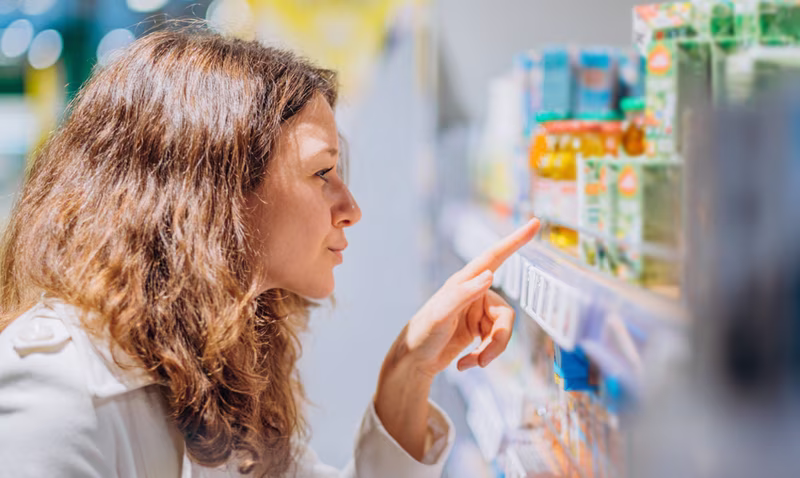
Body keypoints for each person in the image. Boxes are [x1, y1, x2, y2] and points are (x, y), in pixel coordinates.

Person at [0, 27, 539, 478]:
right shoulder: (60, 389)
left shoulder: (208, 366)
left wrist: (408, 367)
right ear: (213, 190)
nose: (350, 207)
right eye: (322, 172)